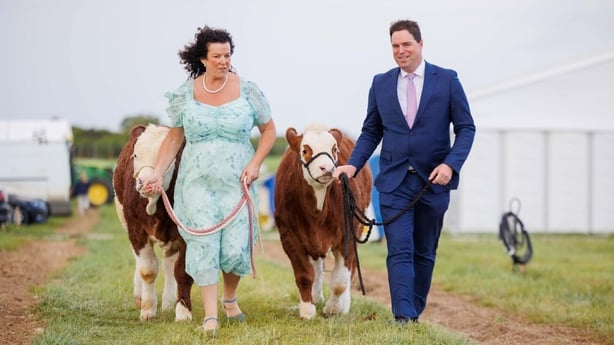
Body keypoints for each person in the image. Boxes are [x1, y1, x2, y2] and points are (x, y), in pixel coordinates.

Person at [334, 19, 475, 324]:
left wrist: (450, 164)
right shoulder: (380, 83)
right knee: (399, 250)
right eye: (395, 46)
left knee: (424, 252)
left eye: (406, 44)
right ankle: (403, 317)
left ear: (420, 45)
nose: (400, 51)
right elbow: (371, 131)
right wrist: (353, 163)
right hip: (394, 183)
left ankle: (414, 309)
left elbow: (466, 128)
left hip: (433, 184)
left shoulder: (448, 80)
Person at [141, 25, 276, 333]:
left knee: (234, 248)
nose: (224, 61)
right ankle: (211, 315)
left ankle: (230, 298)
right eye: (217, 56)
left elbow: (269, 130)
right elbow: (174, 139)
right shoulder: (185, 94)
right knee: (203, 243)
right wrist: (158, 174)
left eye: (228, 55)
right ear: (203, 58)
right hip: (196, 181)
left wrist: (256, 163)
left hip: (237, 181)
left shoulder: (248, 90)